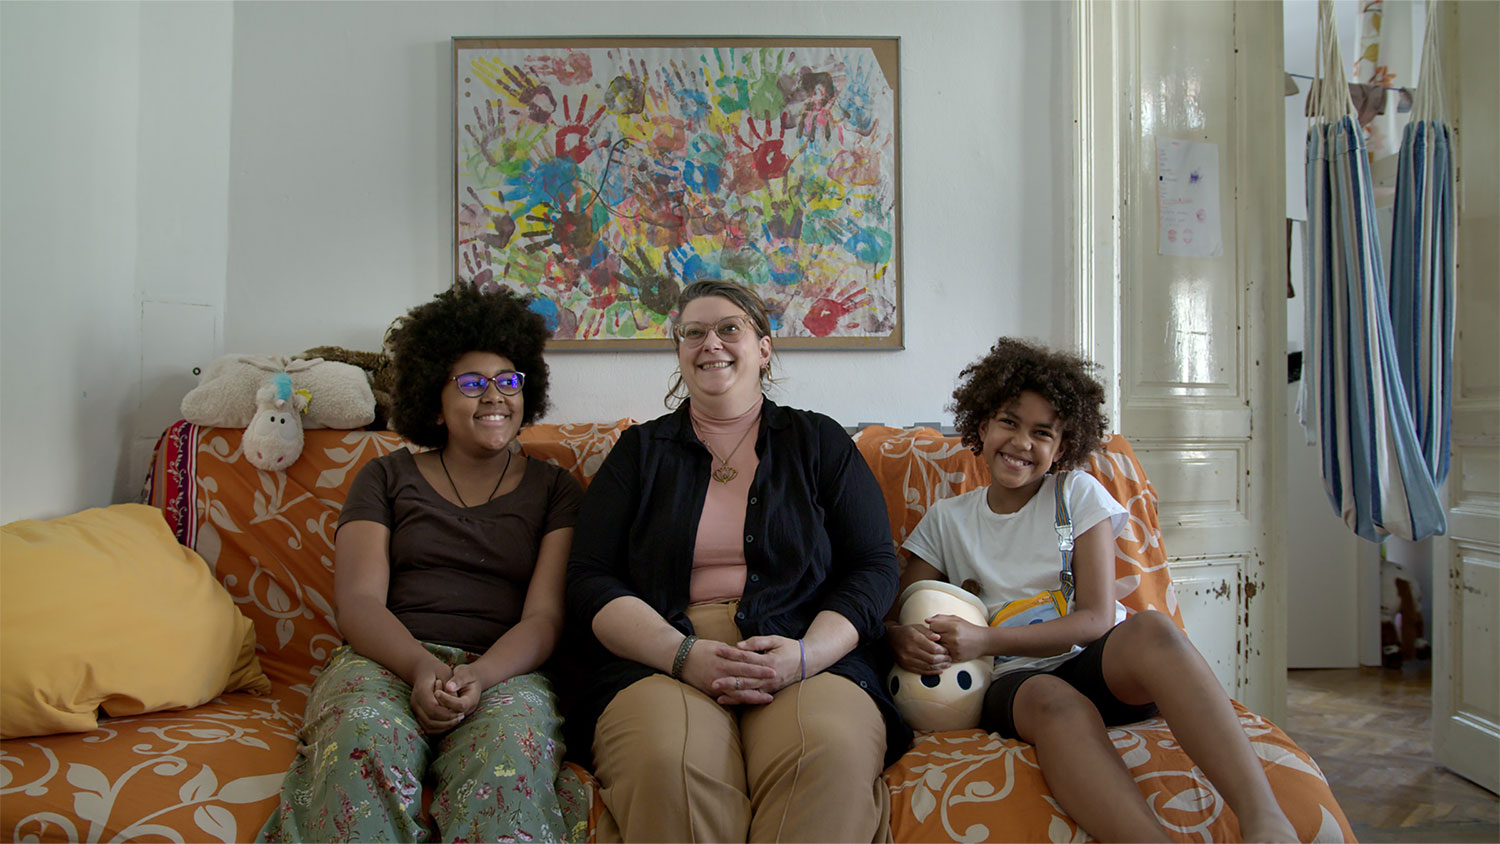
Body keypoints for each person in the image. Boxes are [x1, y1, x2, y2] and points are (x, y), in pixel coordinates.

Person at [889, 338, 1298, 843]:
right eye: (1009, 422)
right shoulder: (946, 520)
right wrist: (900, 638)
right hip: (1015, 681)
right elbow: (903, 611)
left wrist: (983, 638)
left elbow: (1096, 619)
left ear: (1062, 447)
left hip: (1095, 663)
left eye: (1042, 433)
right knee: (1053, 700)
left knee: (1153, 629)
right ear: (982, 425)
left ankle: (1265, 820)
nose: (1021, 443)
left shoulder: (1076, 494)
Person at [567, 279, 911, 842]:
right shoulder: (639, 452)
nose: (711, 343)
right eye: (693, 333)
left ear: (764, 347)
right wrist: (682, 655)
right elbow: (588, 578)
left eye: (730, 328)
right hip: (661, 652)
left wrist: (806, 656)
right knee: (669, 763)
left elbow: (874, 565)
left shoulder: (819, 441)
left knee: (827, 752)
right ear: (679, 350)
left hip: (805, 644)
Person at [259, 284, 587, 842]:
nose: (495, 396)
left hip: (503, 669)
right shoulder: (386, 477)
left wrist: (480, 675)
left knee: (509, 751)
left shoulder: (556, 489)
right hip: (386, 659)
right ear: (434, 402)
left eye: (508, 381)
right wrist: (420, 668)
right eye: (472, 383)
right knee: (359, 738)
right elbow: (358, 602)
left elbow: (545, 618)